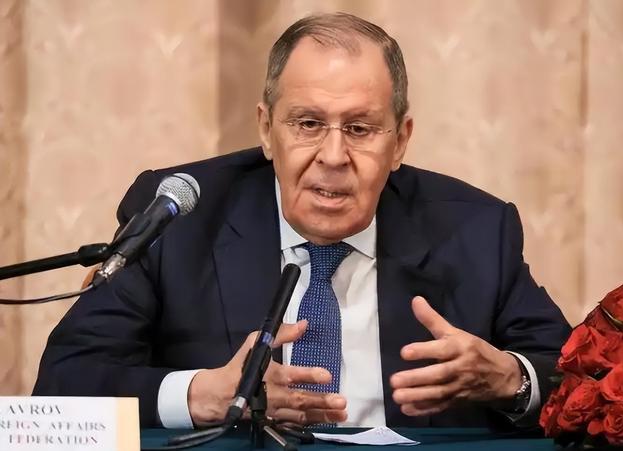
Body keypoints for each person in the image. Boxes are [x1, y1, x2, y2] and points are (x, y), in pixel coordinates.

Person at [33, 12, 570, 431]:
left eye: (360, 128)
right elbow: (62, 385)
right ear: (266, 130)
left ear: (401, 140)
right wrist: (201, 395)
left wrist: (511, 379)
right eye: (308, 124)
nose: (333, 156)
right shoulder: (180, 221)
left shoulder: (476, 229)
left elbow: (579, 379)